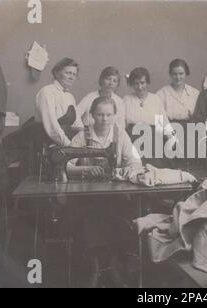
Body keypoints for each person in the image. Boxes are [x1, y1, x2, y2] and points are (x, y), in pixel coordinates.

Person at [67, 96, 142, 288]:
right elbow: (66, 165)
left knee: (120, 215)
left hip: (114, 194)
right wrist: (83, 170)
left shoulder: (120, 135)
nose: (104, 119)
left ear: (115, 116)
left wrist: (129, 169)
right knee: (91, 216)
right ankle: (97, 266)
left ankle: (111, 265)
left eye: (109, 114)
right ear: (91, 115)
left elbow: (135, 161)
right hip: (86, 195)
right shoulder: (82, 136)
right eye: (100, 114)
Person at [123, 67, 177, 167]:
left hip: (153, 140)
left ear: (147, 82)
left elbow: (164, 123)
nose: (139, 87)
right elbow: (122, 126)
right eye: (136, 83)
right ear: (132, 84)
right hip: (133, 140)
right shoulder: (126, 100)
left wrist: (172, 139)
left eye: (142, 83)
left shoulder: (155, 99)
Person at [35, 58, 84, 146]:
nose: (71, 77)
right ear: (57, 73)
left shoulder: (70, 96)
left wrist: (81, 142)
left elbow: (78, 124)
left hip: (67, 143)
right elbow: (51, 125)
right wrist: (68, 145)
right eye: (68, 73)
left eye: (74, 74)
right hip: (47, 143)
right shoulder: (47, 92)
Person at [156, 59, 199, 123]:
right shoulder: (161, 94)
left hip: (190, 129)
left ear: (186, 74)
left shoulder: (195, 93)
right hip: (168, 130)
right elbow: (158, 122)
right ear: (170, 74)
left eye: (181, 74)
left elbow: (199, 119)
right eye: (174, 74)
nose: (178, 77)